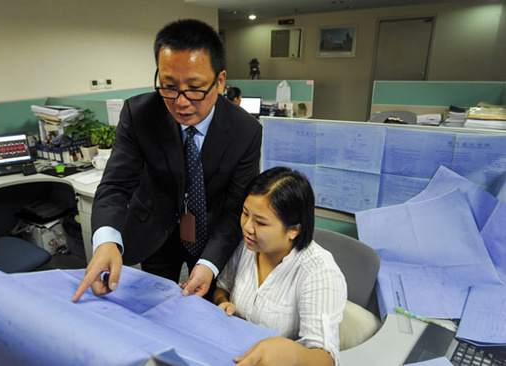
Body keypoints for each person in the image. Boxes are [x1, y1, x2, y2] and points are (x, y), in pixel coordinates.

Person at [72, 19, 262, 303]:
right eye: (168, 86)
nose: (181, 102)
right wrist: (106, 240)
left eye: (195, 88)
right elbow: (115, 186)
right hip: (154, 231)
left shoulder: (245, 131)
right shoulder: (140, 114)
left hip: (211, 236)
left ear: (220, 81)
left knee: (206, 306)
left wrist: (210, 263)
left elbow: (237, 206)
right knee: (154, 307)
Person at [214, 167, 347, 366]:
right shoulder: (247, 246)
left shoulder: (319, 272)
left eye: (260, 223)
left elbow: (326, 359)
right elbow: (223, 287)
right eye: (245, 213)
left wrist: (292, 355)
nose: (247, 227)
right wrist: (222, 302)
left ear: (293, 230)